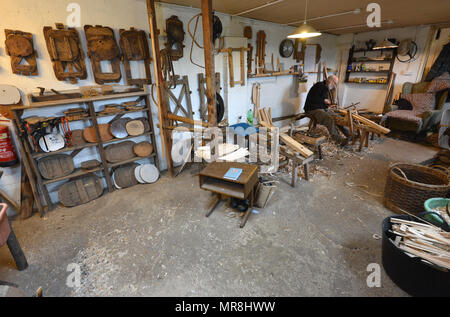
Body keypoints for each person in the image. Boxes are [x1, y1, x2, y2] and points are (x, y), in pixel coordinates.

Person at [304, 75, 349, 146]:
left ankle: (349, 134)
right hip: (312, 108)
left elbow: (322, 102)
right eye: (335, 83)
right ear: (330, 81)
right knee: (328, 119)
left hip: (320, 108)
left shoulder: (326, 88)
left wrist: (328, 105)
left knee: (337, 117)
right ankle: (339, 140)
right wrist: (324, 101)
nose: (335, 86)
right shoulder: (319, 85)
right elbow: (313, 99)